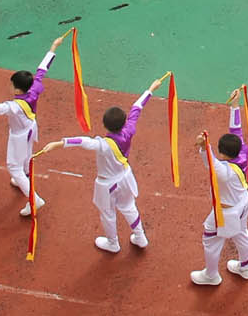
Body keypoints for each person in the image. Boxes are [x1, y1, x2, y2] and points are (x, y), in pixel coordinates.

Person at [41, 80, 161, 253]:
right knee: (129, 207)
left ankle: (113, 243)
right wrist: (150, 89)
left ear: (105, 125)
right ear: (124, 122)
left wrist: (59, 143)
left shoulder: (103, 145)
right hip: (126, 176)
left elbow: (82, 141)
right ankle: (140, 237)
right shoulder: (129, 130)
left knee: (107, 213)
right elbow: (137, 107)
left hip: (108, 184)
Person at [0, 37, 62, 216]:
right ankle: (25, 176)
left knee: (13, 167)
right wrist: (53, 47)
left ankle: (34, 199)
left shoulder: (15, 106)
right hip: (30, 128)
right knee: (27, 156)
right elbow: (42, 69)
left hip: (19, 134)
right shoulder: (35, 87)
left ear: (17, 89)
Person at [191, 95, 248, 286]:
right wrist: (235, 106)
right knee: (242, 234)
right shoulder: (243, 152)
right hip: (243, 202)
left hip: (226, 212)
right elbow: (236, 130)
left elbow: (210, 162)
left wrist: (204, 146)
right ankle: (246, 268)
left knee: (210, 238)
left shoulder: (224, 172)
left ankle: (211, 276)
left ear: (221, 152)